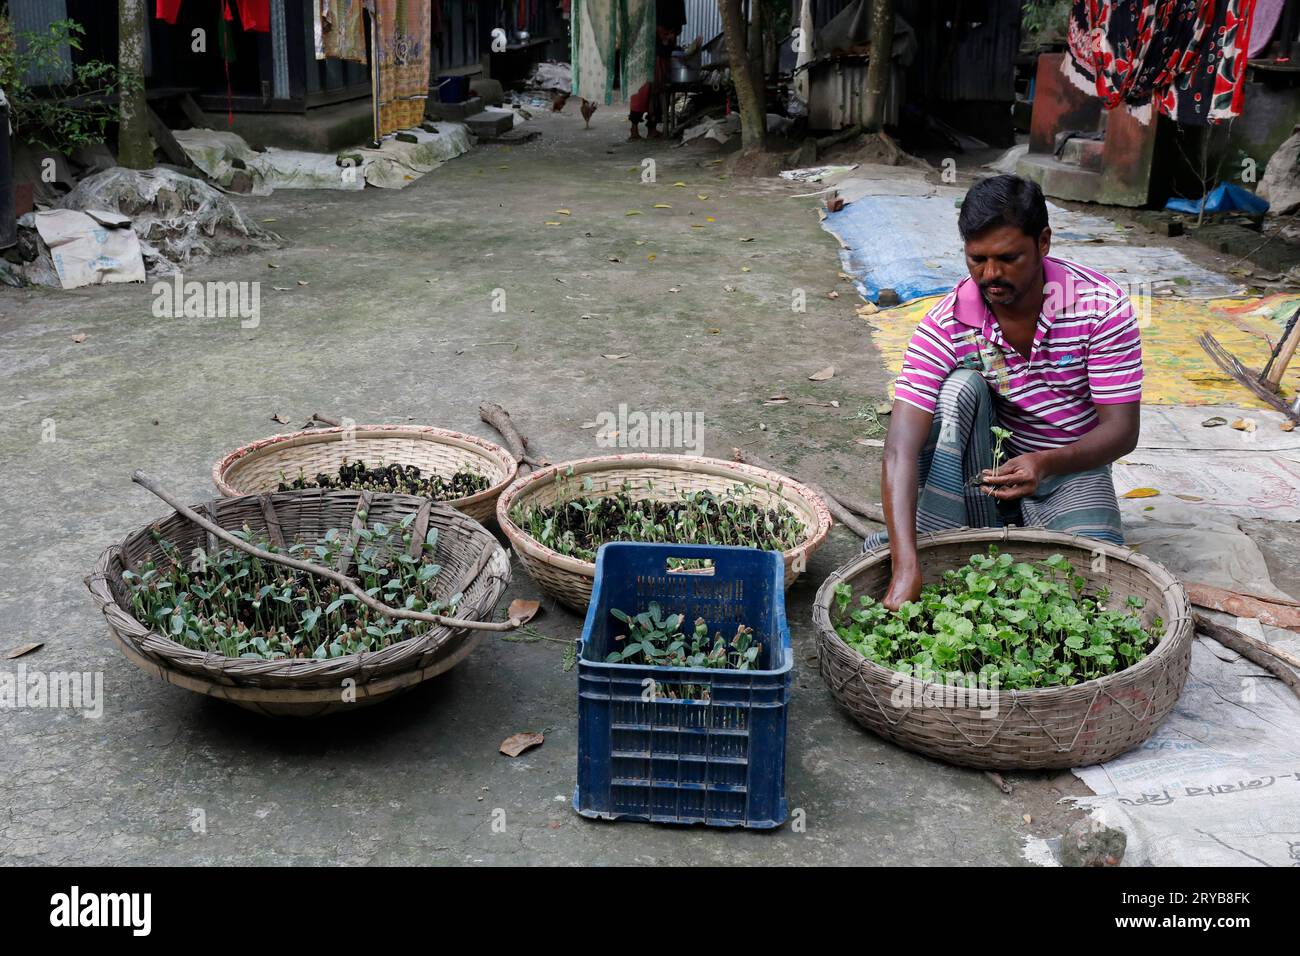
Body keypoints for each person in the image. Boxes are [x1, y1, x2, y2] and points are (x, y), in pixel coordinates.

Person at [873, 174, 1142, 611]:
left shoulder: (1100, 306)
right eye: (976, 259)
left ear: (1044, 242)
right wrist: (906, 566)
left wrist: (1045, 462)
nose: (990, 274)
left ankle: (1001, 528)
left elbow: (1122, 430)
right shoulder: (946, 324)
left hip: (1071, 466)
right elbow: (900, 449)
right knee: (957, 390)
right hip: (986, 476)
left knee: (1092, 588)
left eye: (1007, 257)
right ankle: (956, 528)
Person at [629, 0, 689, 140]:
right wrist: (669, 36)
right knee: (655, 89)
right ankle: (649, 129)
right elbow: (676, 27)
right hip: (657, 51)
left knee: (642, 89)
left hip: (646, 48)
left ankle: (637, 128)